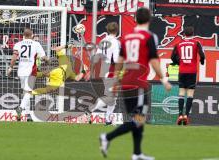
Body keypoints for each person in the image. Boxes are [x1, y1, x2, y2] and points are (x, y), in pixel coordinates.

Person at [99, 7, 172, 160]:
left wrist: (117, 78)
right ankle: (107, 137)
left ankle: (137, 153)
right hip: (138, 84)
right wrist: (163, 79)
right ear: (149, 20)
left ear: (135, 19)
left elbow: (119, 61)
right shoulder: (149, 37)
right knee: (139, 118)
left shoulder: (126, 38)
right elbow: (153, 60)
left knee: (136, 118)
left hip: (126, 82)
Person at [7, 28, 49, 121]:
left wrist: (10, 68)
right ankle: (20, 108)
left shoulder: (18, 44)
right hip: (31, 72)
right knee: (29, 92)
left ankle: (27, 115)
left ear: (23, 35)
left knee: (26, 93)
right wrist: (48, 60)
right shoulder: (36, 44)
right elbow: (43, 57)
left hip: (21, 72)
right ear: (32, 35)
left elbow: (14, 58)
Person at [86, 22, 120, 125]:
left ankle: (108, 120)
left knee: (113, 97)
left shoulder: (103, 41)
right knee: (111, 97)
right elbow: (116, 59)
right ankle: (90, 109)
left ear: (107, 30)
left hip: (104, 69)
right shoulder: (115, 42)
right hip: (111, 69)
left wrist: (90, 71)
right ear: (117, 30)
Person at [171, 26, 205, 125]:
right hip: (192, 71)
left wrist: (179, 62)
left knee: (181, 92)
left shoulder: (178, 44)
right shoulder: (196, 43)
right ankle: (186, 116)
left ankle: (180, 115)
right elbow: (202, 55)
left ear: (184, 34)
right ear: (193, 33)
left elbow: (172, 57)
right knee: (190, 94)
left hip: (182, 71)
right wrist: (202, 61)